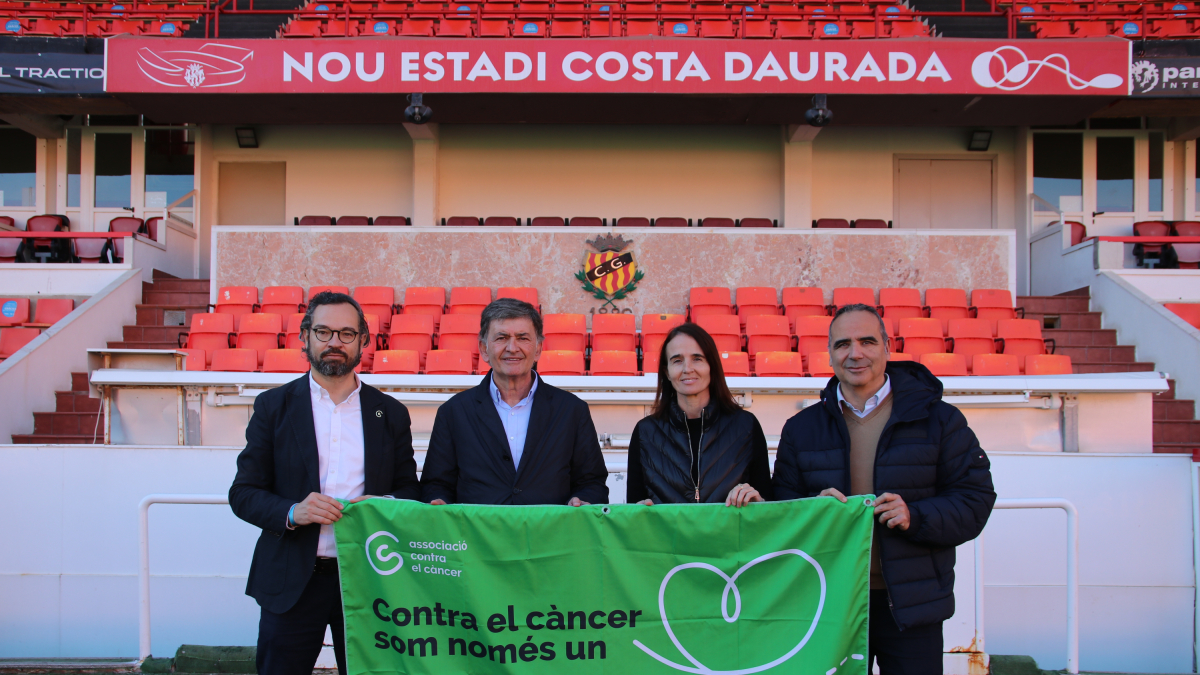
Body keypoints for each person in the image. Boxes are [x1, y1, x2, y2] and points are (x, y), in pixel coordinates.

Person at [772, 303, 996, 675]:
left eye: (866, 341)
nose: (855, 353)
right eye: (843, 344)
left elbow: (975, 501)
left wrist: (916, 515)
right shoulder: (801, 428)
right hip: (829, 604)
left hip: (911, 605)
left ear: (887, 347)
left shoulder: (940, 420)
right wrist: (813, 509)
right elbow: (781, 507)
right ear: (829, 353)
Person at [229, 291, 420, 675]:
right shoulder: (273, 406)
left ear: (365, 341)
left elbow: (409, 490)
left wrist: (380, 505)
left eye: (347, 333)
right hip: (292, 580)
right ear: (305, 336)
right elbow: (243, 493)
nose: (335, 342)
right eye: (324, 331)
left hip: (369, 578)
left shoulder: (391, 414)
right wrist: (292, 511)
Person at [420, 298, 609, 506]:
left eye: (522, 338)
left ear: (537, 349)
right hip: (478, 536)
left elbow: (593, 483)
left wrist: (583, 500)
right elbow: (435, 484)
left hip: (549, 535)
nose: (512, 347)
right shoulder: (453, 412)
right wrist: (439, 501)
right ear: (484, 349)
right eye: (501, 338)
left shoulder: (572, 410)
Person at [627, 322, 771, 506]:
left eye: (697, 358)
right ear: (667, 372)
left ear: (712, 365)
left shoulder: (745, 426)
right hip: (667, 536)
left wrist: (758, 501)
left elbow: (768, 503)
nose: (687, 369)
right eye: (677, 360)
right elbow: (633, 509)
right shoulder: (645, 432)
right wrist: (639, 513)